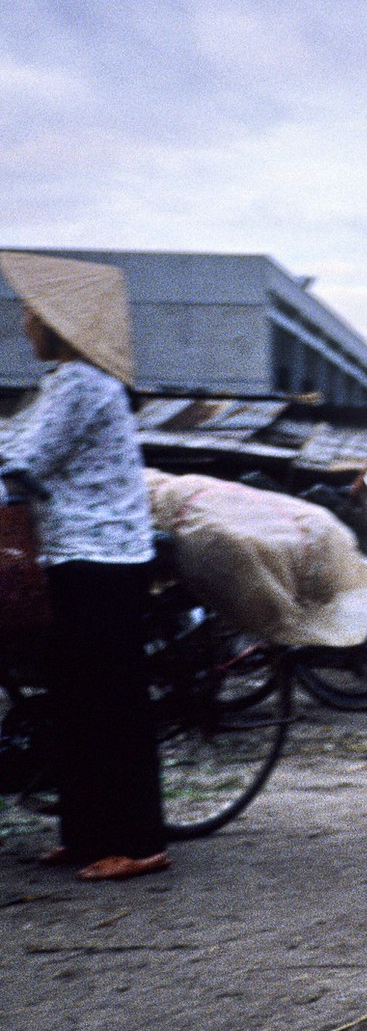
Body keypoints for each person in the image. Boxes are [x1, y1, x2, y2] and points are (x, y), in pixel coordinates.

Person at [0, 252, 168, 881]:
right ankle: (87, 834)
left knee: (109, 702)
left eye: (30, 313)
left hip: (102, 559)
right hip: (75, 556)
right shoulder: (66, 382)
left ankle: (138, 841)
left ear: (57, 321)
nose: (24, 324)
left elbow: (27, 460)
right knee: (74, 700)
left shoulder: (83, 384)